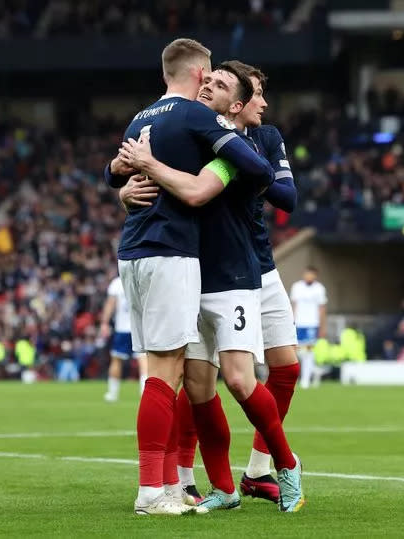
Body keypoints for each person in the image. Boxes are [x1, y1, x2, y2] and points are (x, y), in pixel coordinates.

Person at [118, 62, 304, 513]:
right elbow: (140, 179)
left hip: (240, 274)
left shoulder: (236, 148)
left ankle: (283, 464)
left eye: (219, 85)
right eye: (208, 79)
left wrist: (148, 164)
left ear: (236, 104)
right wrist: (125, 186)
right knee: (196, 386)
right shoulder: (195, 134)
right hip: (192, 273)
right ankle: (215, 486)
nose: (206, 86)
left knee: (241, 378)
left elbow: (203, 192)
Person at [99, 275, 147, 402]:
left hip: (122, 329)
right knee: (143, 360)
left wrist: (104, 323)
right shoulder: (141, 278)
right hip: (140, 327)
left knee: (116, 360)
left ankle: (112, 394)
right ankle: (144, 393)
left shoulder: (117, 282)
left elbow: (110, 304)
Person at [290, 266, 328, 389]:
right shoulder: (296, 287)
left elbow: (322, 309)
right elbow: (293, 306)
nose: (309, 276)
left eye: (311, 274)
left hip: (312, 324)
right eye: (307, 274)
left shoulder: (319, 289)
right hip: (299, 323)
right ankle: (314, 370)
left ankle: (305, 380)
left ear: (315, 276)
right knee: (297, 352)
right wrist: (291, 322)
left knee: (308, 352)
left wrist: (322, 326)